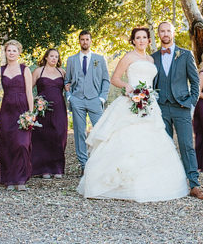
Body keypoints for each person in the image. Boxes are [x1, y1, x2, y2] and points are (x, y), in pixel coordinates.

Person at [77, 27, 189, 202]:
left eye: (145, 37)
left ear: (149, 40)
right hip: (131, 102)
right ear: (133, 41)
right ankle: (120, 185)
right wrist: (127, 86)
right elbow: (115, 78)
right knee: (128, 140)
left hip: (150, 104)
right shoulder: (128, 57)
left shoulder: (152, 59)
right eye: (138, 37)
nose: (142, 40)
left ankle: (151, 184)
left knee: (152, 141)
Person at [151, 22, 203, 199]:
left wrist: (191, 102)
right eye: (162, 31)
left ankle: (194, 184)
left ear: (173, 33)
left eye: (168, 30)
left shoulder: (185, 54)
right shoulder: (153, 57)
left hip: (181, 107)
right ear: (158, 34)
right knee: (164, 147)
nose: (165, 33)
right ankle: (167, 184)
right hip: (161, 107)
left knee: (186, 146)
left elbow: (195, 81)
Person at [64, 30, 109, 173]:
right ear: (79, 41)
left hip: (95, 99)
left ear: (91, 41)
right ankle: (84, 165)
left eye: (87, 39)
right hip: (77, 100)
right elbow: (67, 81)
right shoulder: (71, 59)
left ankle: (99, 162)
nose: (85, 42)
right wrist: (70, 97)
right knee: (79, 133)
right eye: (82, 39)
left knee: (100, 131)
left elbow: (106, 80)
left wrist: (102, 98)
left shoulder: (99, 59)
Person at [0, 40, 34, 191]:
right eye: (8, 50)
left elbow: (29, 92)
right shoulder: (0, 70)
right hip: (6, 111)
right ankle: (9, 179)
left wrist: (31, 113)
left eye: (14, 51)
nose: (11, 53)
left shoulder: (25, 69)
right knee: (7, 144)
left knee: (22, 143)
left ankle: (21, 179)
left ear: (19, 53)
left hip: (22, 110)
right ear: (5, 52)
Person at [31, 48, 67, 179]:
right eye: (51, 56)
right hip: (42, 109)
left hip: (59, 108)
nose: (54, 58)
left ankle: (57, 168)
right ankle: (43, 169)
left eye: (56, 57)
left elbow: (68, 87)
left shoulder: (62, 72)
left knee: (59, 136)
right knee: (42, 136)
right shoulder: (37, 71)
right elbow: (29, 89)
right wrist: (34, 103)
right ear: (46, 57)